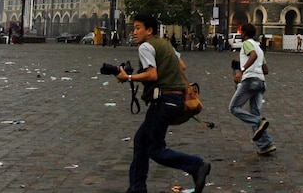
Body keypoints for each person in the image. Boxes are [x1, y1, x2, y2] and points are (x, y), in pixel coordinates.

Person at [111, 14, 211, 193]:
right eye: (134, 28)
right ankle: (137, 187)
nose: (134, 32)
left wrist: (128, 77)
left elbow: (152, 74)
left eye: (138, 28)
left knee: (155, 149)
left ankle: (196, 165)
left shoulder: (146, 47)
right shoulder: (165, 44)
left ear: (149, 30)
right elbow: (182, 66)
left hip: (163, 101)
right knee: (141, 140)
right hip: (175, 100)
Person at [229, 23, 275, 155]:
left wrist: (242, 71)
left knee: (234, 108)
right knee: (255, 112)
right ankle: (266, 144)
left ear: (243, 33)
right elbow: (265, 69)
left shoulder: (246, 44)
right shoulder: (259, 48)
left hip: (250, 81)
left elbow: (252, 55)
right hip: (261, 82)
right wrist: (242, 65)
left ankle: (259, 122)